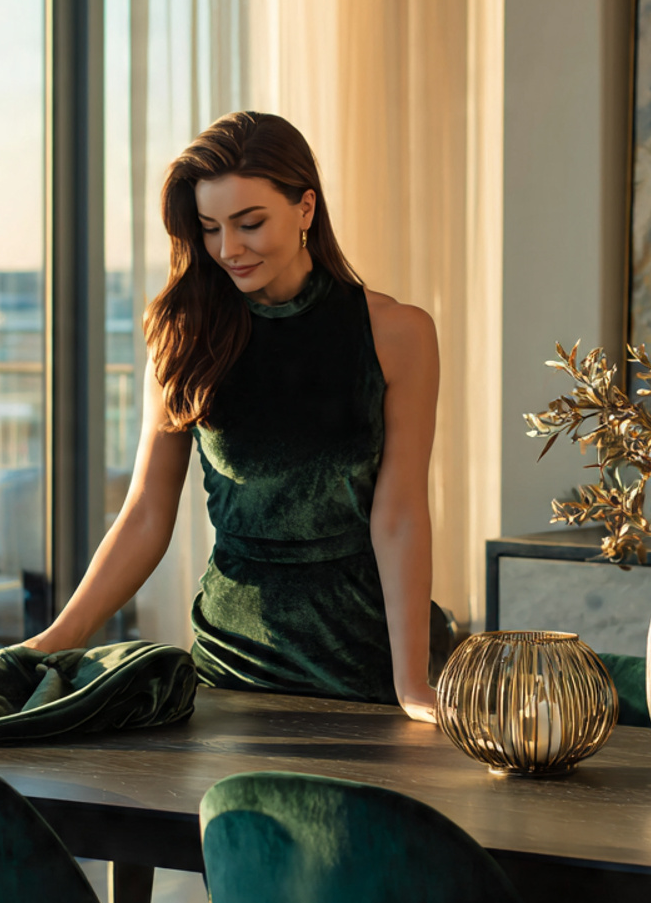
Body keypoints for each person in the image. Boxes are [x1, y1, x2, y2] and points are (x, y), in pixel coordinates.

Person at [25, 111, 441, 722]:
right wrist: (54, 640)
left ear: (305, 208)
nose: (228, 250)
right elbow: (144, 516)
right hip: (230, 669)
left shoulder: (398, 333)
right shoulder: (184, 339)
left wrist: (411, 683)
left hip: (366, 659)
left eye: (250, 224)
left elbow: (400, 514)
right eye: (211, 228)